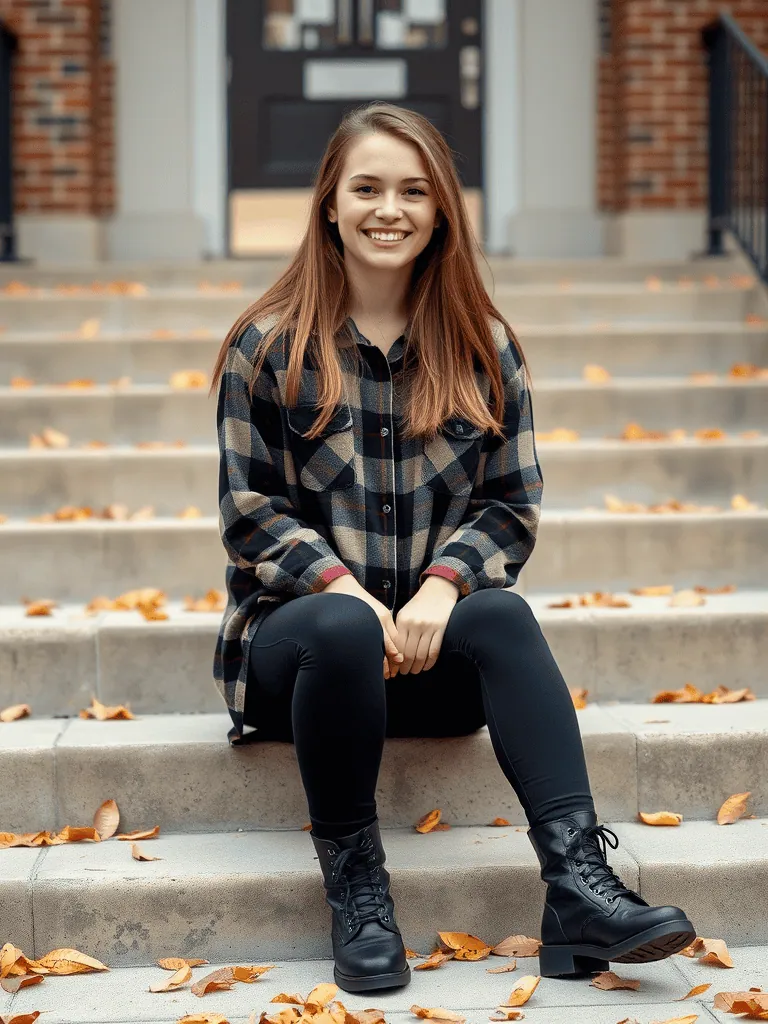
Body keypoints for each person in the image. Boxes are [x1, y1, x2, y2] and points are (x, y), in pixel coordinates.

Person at [209, 102, 695, 995]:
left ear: (440, 212)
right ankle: (359, 890)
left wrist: (443, 587)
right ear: (329, 204)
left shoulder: (483, 347)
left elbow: (513, 504)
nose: (388, 209)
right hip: (304, 663)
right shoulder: (267, 345)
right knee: (341, 628)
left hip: (430, 662)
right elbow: (250, 510)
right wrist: (342, 589)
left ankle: (578, 887)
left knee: (500, 615)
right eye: (366, 188)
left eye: (413, 191)